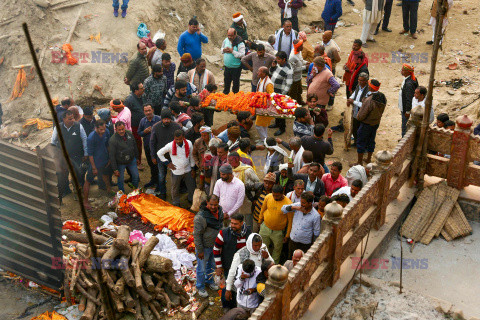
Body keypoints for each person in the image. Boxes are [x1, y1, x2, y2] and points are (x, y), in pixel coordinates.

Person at [214, 213, 252, 310]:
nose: (232, 226)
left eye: (235, 224)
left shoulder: (249, 233)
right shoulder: (224, 233)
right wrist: (219, 266)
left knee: (239, 286)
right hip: (228, 266)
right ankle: (226, 306)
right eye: (232, 223)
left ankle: (236, 306)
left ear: (242, 223)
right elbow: (216, 249)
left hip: (243, 268)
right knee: (228, 287)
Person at [225, 234, 273, 306]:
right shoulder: (240, 254)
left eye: (259, 245)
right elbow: (232, 271)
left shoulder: (263, 249)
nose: (258, 248)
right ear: (250, 244)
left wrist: (267, 257)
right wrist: (228, 289)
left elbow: (272, 265)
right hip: (244, 284)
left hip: (259, 284)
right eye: (255, 245)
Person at [51, 110, 88, 199]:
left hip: (76, 156)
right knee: (63, 175)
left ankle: (77, 192)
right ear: (64, 119)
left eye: (73, 118)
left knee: (76, 175)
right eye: (70, 119)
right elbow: (53, 142)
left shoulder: (78, 126)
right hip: (63, 157)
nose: (72, 120)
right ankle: (66, 191)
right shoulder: (58, 128)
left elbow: (84, 139)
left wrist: (86, 153)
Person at [194, 194, 223, 297]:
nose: (214, 207)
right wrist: (200, 250)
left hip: (215, 246)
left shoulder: (220, 211)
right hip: (204, 247)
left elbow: (221, 225)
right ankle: (200, 287)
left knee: (212, 265)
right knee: (201, 268)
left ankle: (209, 281)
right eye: (211, 204)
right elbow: (197, 235)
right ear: (207, 203)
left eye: (216, 204)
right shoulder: (200, 217)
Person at [157, 129, 196, 206]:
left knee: (191, 186)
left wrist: (193, 168)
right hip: (176, 171)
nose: (178, 141)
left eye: (180, 139)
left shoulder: (189, 143)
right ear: (174, 138)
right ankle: (176, 202)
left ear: (183, 137)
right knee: (175, 188)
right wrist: (167, 163)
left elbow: (191, 156)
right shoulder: (170, 145)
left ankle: (191, 199)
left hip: (188, 169)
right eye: (176, 139)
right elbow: (159, 153)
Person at [149, 108, 182, 199]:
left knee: (175, 176)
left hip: (174, 156)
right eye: (165, 119)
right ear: (161, 119)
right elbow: (152, 143)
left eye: (168, 119)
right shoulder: (156, 127)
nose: (166, 121)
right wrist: (153, 156)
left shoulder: (176, 127)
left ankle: (175, 194)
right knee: (161, 176)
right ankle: (163, 192)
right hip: (161, 157)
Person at [258, 184, 293, 264]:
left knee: (277, 251)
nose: (275, 197)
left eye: (277, 196)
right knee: (262, 247)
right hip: (265, 227)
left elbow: (290, 220)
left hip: (279, 232)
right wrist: (260, 221)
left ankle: (273, 268)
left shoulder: (288, 203)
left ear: (282, 193)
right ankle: (261, 264)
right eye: (274, 195)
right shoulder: (268, 197)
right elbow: (263, 209)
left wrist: (287, 236)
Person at [356, 79, 387, 164]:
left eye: (369, 85)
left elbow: (360, 116)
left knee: (361, 142)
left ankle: (359, 162)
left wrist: (358, 117)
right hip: (375, 123)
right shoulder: (382, 96)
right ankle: (368, 159)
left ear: (371, 87)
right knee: (371, 141)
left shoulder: (369, 100)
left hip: (366, 124)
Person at [282, 191, 321, 256]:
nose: (301, 204)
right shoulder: (298, 205)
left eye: (303, 203)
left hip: (305, 245)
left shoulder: (316, 216)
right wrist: (295, 208)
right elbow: (283, 209)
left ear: (310, 203)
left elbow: (316, 233)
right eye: (301, 202)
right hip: (293, 241)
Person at [84, 120, 112, 209]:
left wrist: (110, 157)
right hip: (95, 163)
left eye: (104, 129)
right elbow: (90, 154)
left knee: (106, 175)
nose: (103, 131)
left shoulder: (106, 131)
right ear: (96, 128)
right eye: (101, 130)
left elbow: (107, 145)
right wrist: (94, 167)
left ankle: (108, 190)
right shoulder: (91, 138)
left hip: (104, 160)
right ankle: (85, 201)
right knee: (88, 180)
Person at [109, 121, 140, 192]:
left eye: (123, 129)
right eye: (119, 130)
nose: (121, 131)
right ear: (115, 129)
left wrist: (137, 157)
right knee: (120, 179)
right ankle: (122, 194)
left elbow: (135, 145)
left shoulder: (129, 133)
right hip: (120, 163)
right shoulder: (113, 140)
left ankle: (135, 191)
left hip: (131, 160)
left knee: (136, 176)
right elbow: (112, 155)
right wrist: (115, 169)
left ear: (125, 128)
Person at [269, 51, 294, 136]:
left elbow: (289, 83)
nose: (277, 60)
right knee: (276, 108)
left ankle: (282, 128)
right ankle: (277, 123)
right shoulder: (279, 65)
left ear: (284, 59)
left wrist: (283, 95)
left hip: (281, 93)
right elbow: (272, 73)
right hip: (274, 91)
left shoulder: (289, 70)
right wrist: (272, 67)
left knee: (281, 110)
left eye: (278, 59)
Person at [137, 105, 161, 188]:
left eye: (149, 110)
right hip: (147, 147)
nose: (148, 112)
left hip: (157, 148)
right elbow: (139, 133)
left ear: (153, 110)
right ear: (144, 112)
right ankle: (153, 180)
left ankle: (160, 182)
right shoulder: (143, 121)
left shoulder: (158, 119)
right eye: (146, 111)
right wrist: (145, 131)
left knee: (158, 166)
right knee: (151, 164)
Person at [124, 82, 145, 170]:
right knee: (137, 144)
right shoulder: (129, 100)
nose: (143, 89)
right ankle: (137, 162)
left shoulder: (143, 96)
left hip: (143, 124)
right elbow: (126, 113)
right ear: (136, 90)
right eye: (141, 88)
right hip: (134, 126)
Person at [347, 72, 370, 146]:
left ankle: (362, 145)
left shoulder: (368, 91)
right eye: (359, 80)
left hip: (363, 114)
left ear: (366, 81)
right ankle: (356, 143)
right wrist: (350, 98)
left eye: (361, 80)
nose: (359, 82)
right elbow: (354, 94)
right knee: (355, 129)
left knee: (362, 131)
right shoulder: (358, 86)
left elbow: (364, 105)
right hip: (356, 112)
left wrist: (353, 101)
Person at [221, 28, 246, 94]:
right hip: (227, 67)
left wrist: (232, 51)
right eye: (228, 35)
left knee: (235, 85)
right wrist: (224, 50)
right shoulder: (226, 40)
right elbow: (221, 48)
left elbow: (242, 55)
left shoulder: (240, 43)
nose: (229, 37)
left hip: (236, 68)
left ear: (235, 34)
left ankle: (235, 98)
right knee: (226, 84)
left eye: (231, 36)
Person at [254, 66, 275, 141]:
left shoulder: (268, 84)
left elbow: (271, 96)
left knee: (258, 125)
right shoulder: (262, 79)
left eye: (259, 71)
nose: (257, 72)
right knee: (263, 125)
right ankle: (265, 139)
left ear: (264, 73)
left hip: (265, 107)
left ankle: (264, 140)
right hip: (261, 105)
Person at [398, 64, 418, 136]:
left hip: (406, 109)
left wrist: (407, 111)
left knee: (405, 126)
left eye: (403, 70)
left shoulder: (409, 84)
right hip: (404, 107)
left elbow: (409, 98)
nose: (401, 71)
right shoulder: (408, 79)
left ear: (407, 72)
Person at [289, 39, 306, 105]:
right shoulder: (292, 57)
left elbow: (301, 61)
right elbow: (292, 70)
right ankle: (294, 106)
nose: (303, 46)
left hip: (299, 77)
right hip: (294, 79)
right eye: (301, 45)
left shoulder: (299, 52)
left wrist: (306, 63)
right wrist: (304, 67)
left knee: (299, 91)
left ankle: (300, 101)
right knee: (293, 93)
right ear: (298, 47)